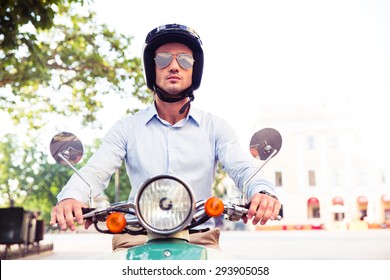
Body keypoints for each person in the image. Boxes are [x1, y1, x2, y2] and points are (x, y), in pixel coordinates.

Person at [50, 23, 281, 250]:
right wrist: (71, 197)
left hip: (198, 237)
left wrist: (262, 192)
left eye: (184, 60)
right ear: (152, 69)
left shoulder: (215, 127)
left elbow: (242, 168)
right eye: (163, 59)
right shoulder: (127, 128)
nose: (173, 66)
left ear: (194, 70)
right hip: (136, 237)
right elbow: (95, 171)